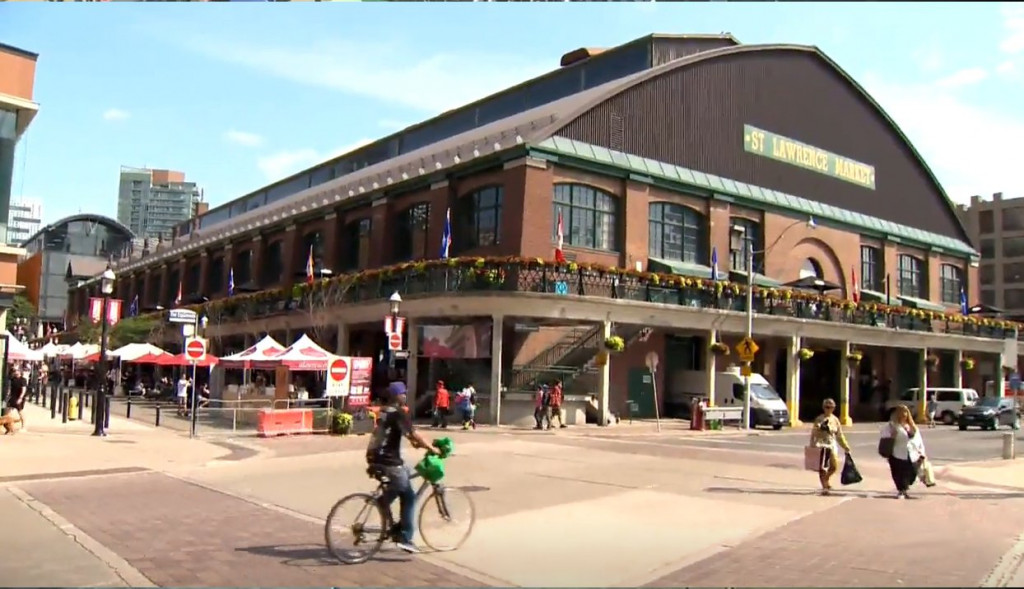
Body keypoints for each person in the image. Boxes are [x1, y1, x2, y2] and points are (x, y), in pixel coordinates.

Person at [366, 381, 437, 554]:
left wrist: (415, 443)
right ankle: (405, 537)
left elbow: (399, 433)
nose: (405, 396)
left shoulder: (384, 411)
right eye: (403, 393)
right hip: (389, 461)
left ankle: (388, 510)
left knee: (404, 476)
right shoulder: (399, 413)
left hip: (374, 456)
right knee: (410, 496)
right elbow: (413, 433)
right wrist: (432, 448)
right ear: (398, 396)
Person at [881, 405, 927, 499]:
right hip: (897, 454)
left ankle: (905, 488)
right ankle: (901, 491)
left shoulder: (912, 426)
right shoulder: (891, 426)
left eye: (905, 412)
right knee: (899, 474)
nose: (904, 415)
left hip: (912, 454)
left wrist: (922, 452)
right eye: (901, 413)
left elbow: (919, 440)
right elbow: (884, 437)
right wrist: (892, 437)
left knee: (912, 474)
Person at [808, 398, 851, 495]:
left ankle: (826, 480)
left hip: (831, 444)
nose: (828, 409)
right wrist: (812, 444)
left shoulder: (835, 420)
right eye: (826, 407)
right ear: (823, 408)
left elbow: (839, 434)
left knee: (834, 466)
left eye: (831, 407)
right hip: (821, 444)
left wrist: (845, 446)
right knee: (823, 467)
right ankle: (824, 486)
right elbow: (814, 433)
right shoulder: (819, 419)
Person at [5, 368, 27, 432]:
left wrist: (20, 398)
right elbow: (10, 388)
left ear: (20, 372)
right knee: (7, 411)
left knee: (20, 412)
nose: (15, 372)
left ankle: (23, 427)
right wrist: (8, 396)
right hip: (12, 397)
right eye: (14, 371)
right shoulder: (12, 379)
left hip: (19, 397)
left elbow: (24, 390)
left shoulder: (23, 380)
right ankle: (8, 426)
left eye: (16, 371)